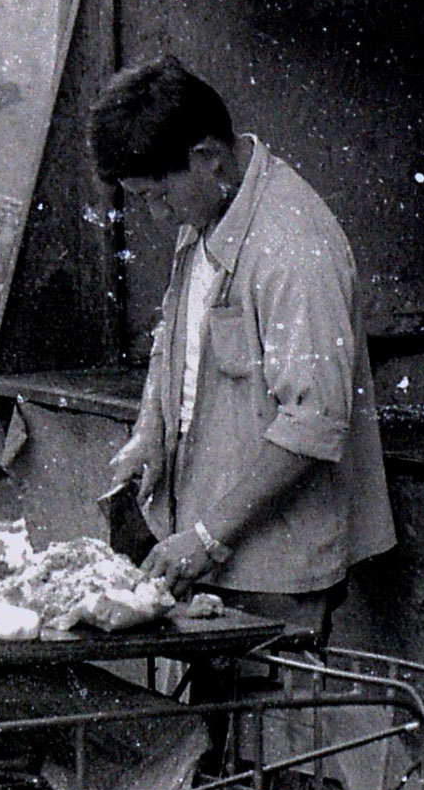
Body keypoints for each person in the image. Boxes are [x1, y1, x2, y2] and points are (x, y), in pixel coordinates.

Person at [90, 55, 395, 646]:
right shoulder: (207, 207)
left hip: (272, 564)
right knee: (213, 730)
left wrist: (207, 537)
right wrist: (149, 432)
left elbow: (313, 423)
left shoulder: (293, 246)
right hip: (203, 544)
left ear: (208, 159)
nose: (156, 218)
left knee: (266, 731)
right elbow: (172, 344)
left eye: (157, 197)